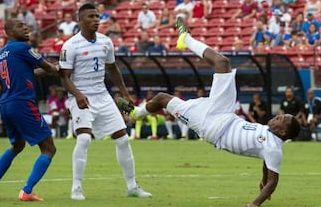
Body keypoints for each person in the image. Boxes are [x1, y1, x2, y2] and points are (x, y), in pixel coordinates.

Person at [117, 17, 301, 207]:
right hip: (225, 113)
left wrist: (255, 204)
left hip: (209, 128)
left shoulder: (274, 149)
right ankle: (185, 39)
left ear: (282, 132)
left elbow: (273, 181)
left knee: (163, 98)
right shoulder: (268, 135)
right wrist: (262, 179)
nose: (277, 116)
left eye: (280, 119)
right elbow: (266, 165)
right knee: (222, 62)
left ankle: (136, 114)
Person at [58, 3, 151, 201]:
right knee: (83, 139)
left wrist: (125, 94)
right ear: (80, 20)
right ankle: (76, 188)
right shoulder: (70, 45)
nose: (96, 20)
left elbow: (113, 69)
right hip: (80, 98)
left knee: (123, 139)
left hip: (103, 96)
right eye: (91, 16)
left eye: (98, 16)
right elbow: (64, 77)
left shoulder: (106, 42)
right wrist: (78, 95)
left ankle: (132, 186)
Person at [0, 19, 60, 201]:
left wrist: (52, 69)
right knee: (49, 148)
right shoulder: (22, 48)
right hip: (23, 103)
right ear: (8, 31)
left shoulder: (4, 52)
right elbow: (47, 67)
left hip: (6, 103)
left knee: (17, 146)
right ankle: (27, 191)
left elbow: (31, 74)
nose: (25, 28)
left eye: (26, 25)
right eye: (19, 26)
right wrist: (60, 67)